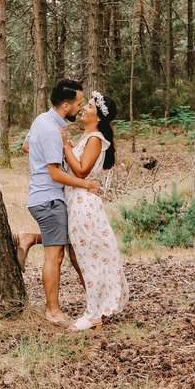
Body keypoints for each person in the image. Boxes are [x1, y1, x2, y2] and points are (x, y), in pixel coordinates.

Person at [20, 79, 100, 326]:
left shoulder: (41, 120)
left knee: (65, 242)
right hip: (50, 200)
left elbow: (26, 146)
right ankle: (53, 311)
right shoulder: (53, 131)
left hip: (39, 196)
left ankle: (27, 238)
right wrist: (87, 184)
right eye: (78, 103)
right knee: (54, 257)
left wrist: (53, 150)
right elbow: (55, 174)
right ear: (66, 106)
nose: (80, 108)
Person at [59, 90, 129, 331]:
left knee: (89, 259)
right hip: (76, 202)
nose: (83, 109)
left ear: (98, 116)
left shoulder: (95, 138)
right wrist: (69, 146)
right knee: (82, 256)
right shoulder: (87, 137)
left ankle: (93, 315)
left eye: (89, 106)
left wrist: (64, 145)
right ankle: (98, 308)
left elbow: (81, 171)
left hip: (84, 205)